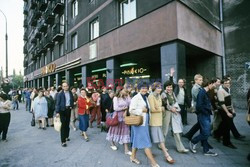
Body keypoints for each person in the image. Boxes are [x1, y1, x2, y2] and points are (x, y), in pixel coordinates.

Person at [129, 82, 159, 167]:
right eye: (142, 88)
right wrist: (141, 110)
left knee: (136, 140)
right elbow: (131, 110)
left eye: (145, 88)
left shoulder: (146, 97)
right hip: (138, 122)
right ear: (138, 89)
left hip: (144, 122)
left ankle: (132, 157)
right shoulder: (136, 98)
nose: (144, 89)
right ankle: (153, 163)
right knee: (146, 142)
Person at [189, 79, 218, 156]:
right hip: (203, 115)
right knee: (206, 133)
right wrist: (206, 111)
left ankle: (206, 150)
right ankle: (193, 141)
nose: (214, 86)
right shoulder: (202, 92)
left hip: (206, 114)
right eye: (213, 84)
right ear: (209, 84)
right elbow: (199, 106)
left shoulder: (206, 92)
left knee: (204, 132)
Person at [148, 82, 175, 164]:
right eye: (158, 88)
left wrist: (159, 108)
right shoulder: (151, 96)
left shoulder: (159, 96)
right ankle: (166, 155)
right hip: (154, 120)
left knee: (152, 137)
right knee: (160, 138)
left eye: (160, 88)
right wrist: (161, 108)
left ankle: (149, 152)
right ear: (154, 88)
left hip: (159, 120)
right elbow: (152, 109)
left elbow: (159, 107)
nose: (159, 89)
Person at [161, 81, 189, 153]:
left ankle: (180, 148)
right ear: (165, 87)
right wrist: (171, 109)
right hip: (166, 113)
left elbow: (175, 102)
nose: (169, 88)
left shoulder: (173, 93)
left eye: (170, 87)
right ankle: (161, 144)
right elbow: (165, 104)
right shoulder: (163, 94)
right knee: (165, 130)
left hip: (174, 113)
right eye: (168, 87)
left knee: (176, 130)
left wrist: (176, 109)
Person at [106, 88, 131, 155]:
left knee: (125, 131)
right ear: (120, 91)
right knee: (114, 130)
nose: (126, 91)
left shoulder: (125, 97)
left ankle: (126, 149)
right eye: (124, 90)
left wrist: (128, 95)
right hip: (117, 116)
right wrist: (124, 108)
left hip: (124, 116)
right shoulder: (115, 98)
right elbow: (115, 108)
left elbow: (130, 103)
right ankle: (112, 143)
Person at [214, 78, 237, 149]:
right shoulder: (220, 91)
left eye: (228, 83)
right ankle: (226, 142)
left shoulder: (227, 89)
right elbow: (222, 103)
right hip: (223, 110)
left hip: (229, 109)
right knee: (228, 125)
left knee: (224, 123)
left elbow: (230, 101)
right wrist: (227, 112)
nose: (227, 84)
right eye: (226, 83)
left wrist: (233, 110)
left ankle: (217, 133)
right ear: (222, 84)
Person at [183, 74, 203, 140]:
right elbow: (199, 98)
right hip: (198, 107)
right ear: (196, 80)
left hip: (199, 107)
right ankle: (190, 135)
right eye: (200, 80)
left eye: (201, 80)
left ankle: (189, 134)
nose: (201, 81)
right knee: (201, 123)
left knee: (200, 123)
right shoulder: (195, 88)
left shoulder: (199, 87)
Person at [55, 83, 74, 147]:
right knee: (63, 125)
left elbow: (72, 100)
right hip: (62, 110)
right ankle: (63, 141)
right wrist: (57, 112)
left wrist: (71, 106)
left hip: (68, 110)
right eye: (64, 86)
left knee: (67, 124)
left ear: (68, 86)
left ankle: (66, 136)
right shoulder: (60, 94)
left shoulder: (70, 93)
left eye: (66, 86)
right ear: (62, 87)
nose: (65, 87)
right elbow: (57, 103)